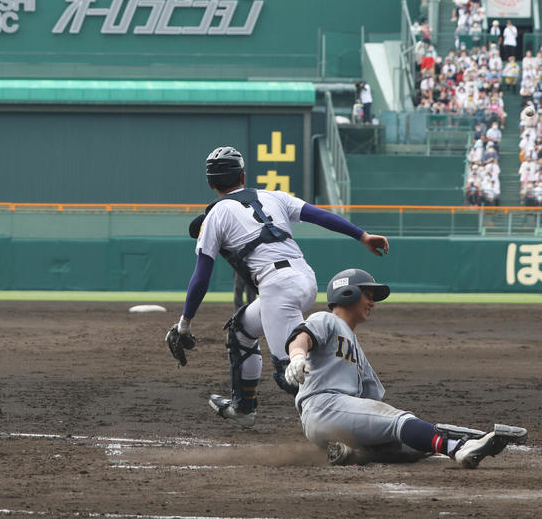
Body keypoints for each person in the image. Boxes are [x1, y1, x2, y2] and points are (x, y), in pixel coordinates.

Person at [166, 146, 389, 427]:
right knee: (241, 330)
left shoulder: (215, 215)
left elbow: (201, 277)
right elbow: (318, 215)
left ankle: (354, 419)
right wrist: (363, 236)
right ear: (243, 176)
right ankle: (244, 408)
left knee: (291, 373)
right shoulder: (271, 196)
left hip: (277, 287)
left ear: (211, 184)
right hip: (304, 278)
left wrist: (185, 322)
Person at [283, 267, 520, 468]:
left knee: (408, 447)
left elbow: (373, 401)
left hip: (338, 419)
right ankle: (457, 447)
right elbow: (302, 336)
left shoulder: (357, 350)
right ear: (348, 293)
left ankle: (349, 454)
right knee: (399, 421)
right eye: (367, 295)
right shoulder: (327, 319)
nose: (372, 303)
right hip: (325, 407)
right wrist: (296, 357)